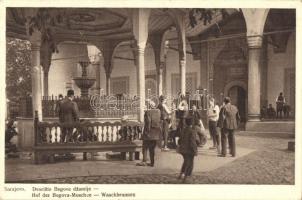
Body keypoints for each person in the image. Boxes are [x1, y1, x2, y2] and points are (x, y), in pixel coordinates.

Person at [177, 117, 198, 183]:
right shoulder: (192, 131)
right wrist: (195, 150)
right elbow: (192, 142)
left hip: (183, 149)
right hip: (189, 150)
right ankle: (187, 176)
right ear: (192, 123)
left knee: (186, 161)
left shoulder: (183, 130)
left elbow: (179, 141)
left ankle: (181, 174)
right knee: (190, 162)